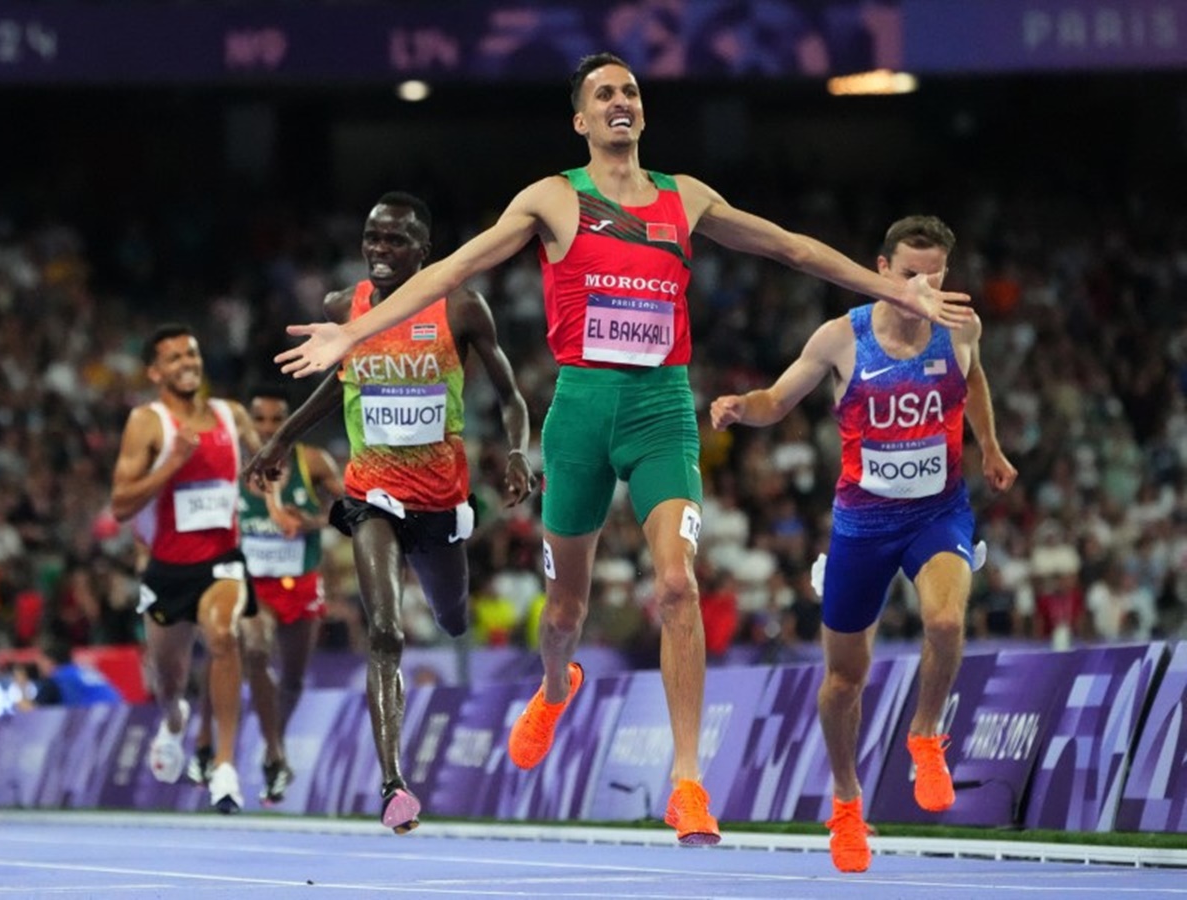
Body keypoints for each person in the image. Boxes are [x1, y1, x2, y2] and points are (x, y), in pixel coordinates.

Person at [273, 54, 974, 845]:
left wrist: (895, 289)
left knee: (677, 585)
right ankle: (552, 685)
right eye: (604, 93)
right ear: (580, 118)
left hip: (661, 409)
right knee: (565, 608)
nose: (620, 101)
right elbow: (456, 266)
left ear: (642, 113)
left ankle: (687, 786)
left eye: (630, 91)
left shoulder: (686, 198)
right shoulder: (553, 197)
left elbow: (794, 249)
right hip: (578, 413)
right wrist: (354, 332)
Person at [710, 215, 1017, 871]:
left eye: (935, 273)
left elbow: (977, 378)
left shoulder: (960, 326)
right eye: (911, 273)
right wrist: (743, 406)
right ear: (881, 270)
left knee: (943, 620)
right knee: (845, 682)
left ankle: (926, 735)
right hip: (861, 525)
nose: (924, 285)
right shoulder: (840, 340)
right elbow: (778, 399)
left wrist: (988, 445)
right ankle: (847, 805)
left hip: (938, 513)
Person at [244, 191, 534, 833]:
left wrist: (517, 449)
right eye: (372, 238)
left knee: (452, 617)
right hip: (370, 493)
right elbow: (340, 377)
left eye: (395, 240)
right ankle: (394, 784)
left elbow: (511, 394)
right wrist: (283, 437)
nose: (379, 250)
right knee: (384, 631)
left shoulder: (460, 305)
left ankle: (445, 609)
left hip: (440, 501)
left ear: (423, 250)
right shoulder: (344, 308)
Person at [110, 323, 263, 814]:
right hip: (166, 570)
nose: (186, 364)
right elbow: (120, 505)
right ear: (156, 372)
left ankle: (224, 766)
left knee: (223, 636)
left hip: (223, 560)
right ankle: (173, 720)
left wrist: (271, 480)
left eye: (191, 354)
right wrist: (170, 465)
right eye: (174, 358)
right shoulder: (148, 423)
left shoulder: (229, 414)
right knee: (170, 680)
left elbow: (264, 464)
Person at [188, 385, 344, 805]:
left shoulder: (311, 461)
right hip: (249, 584)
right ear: (248, 425)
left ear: (290, 422)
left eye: (278, 420)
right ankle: (271, 754)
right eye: (260, 420)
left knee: (291, 678)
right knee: (251, 649)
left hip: (301, 584)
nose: (269, 428)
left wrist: (312, 521)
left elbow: (353, 507)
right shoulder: (230, 468)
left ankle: (274, 740)